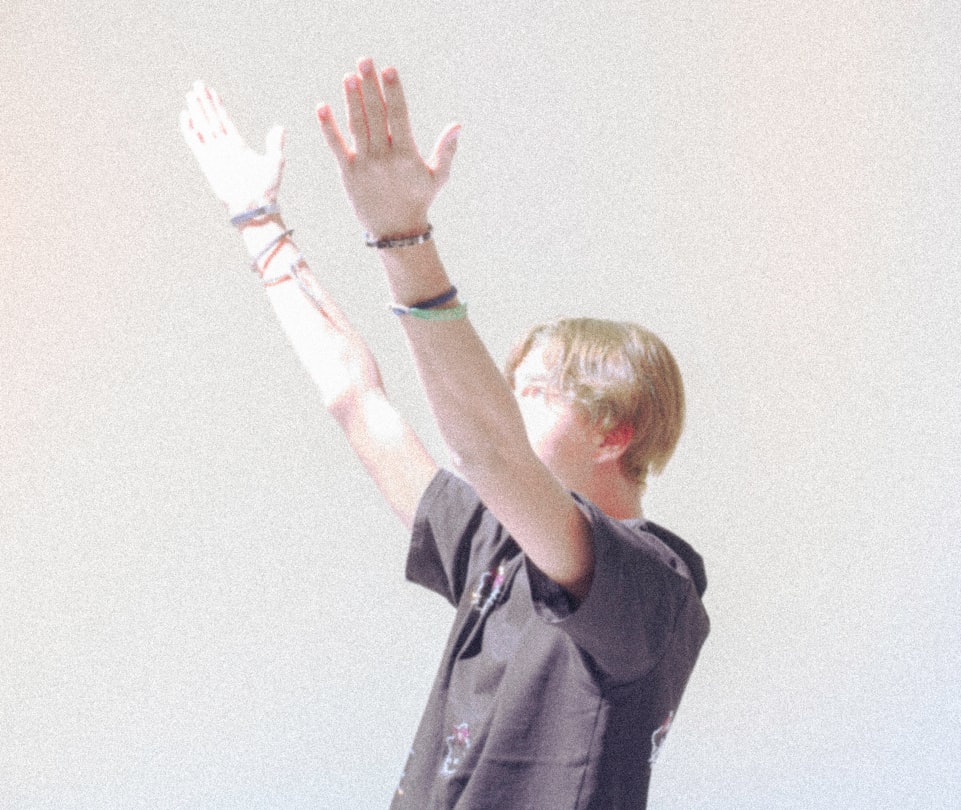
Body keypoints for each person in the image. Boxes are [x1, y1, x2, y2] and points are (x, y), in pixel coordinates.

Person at [181, 57, 709, 809]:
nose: (507, 405)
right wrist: (257, 222)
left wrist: (402, 236)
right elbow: (356, 398)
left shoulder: (654, 589)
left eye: (533, 391)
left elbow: (488, 449)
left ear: (613, 433)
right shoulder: (497, 544)